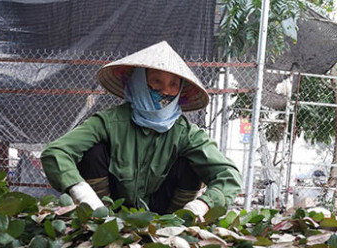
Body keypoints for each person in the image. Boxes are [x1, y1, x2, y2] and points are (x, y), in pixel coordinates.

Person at [40, 41, 242, 217]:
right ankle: (99, 218)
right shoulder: (109, 122)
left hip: (165, 216)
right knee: (93, 152)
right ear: (138, 82)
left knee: (190, 164)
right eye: (156, 81)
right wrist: (82, 192)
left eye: (173, 84)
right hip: (108, 210)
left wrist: (201, 205)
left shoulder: (185, 133)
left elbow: (228, 175)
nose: (165, 91)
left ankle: (177, 223)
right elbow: (56, 152)